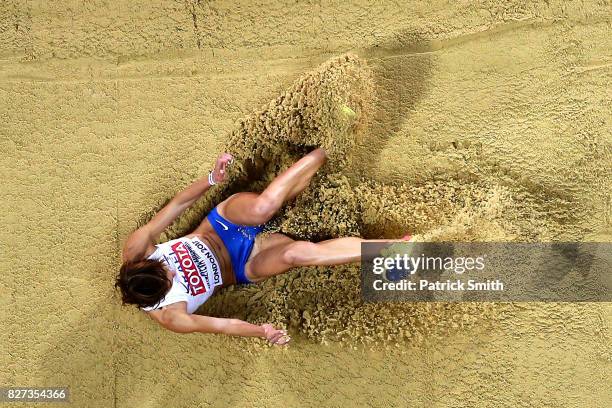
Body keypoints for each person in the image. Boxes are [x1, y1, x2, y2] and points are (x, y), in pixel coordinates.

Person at [116, 148, 405, 346]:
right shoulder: (172, 317)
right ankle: (387, 248)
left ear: (144, 262)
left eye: (165, 267)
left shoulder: (136, 249)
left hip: (223, 225)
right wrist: (262, 331)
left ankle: (327, 147)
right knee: (296, 253)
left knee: (264, 207)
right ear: (161, 296)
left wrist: (211, 179)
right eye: (172, 281)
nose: (175, 272)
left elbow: (177, 205)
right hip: (243, 264)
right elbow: (224, 325)